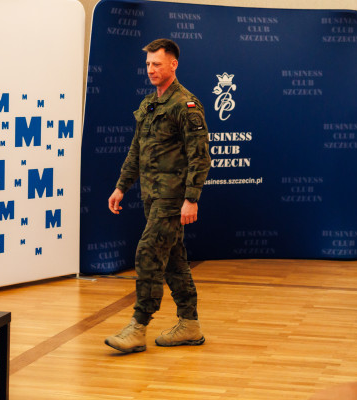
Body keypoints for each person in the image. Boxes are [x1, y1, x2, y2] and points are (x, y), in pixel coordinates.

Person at [105, 39, 211, 353]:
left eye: (157, 64)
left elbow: (200, 156)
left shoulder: (186, 105)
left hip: (172, 197)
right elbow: (136, 150)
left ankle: (138, 327)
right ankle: (189, 324)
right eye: (148, 64)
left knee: (148, 253)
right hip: (151, 196)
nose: (151, 70)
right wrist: (121, 186)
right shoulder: (150, 104)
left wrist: (191, 198)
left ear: (173, 65)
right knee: (174, 260)